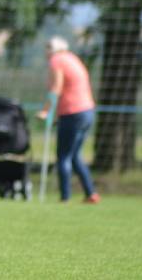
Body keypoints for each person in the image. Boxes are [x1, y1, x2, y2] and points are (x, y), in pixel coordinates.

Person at [37, 36, 101, 204]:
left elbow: (56, 87)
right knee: (74, 155)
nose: (46, 52)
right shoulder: (73, 59)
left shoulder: (57, 61)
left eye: (48, 48)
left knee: (63, 156)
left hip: (72, 113)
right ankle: (90, 193)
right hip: (87, 111)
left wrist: (46, 111)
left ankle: (65, 196)